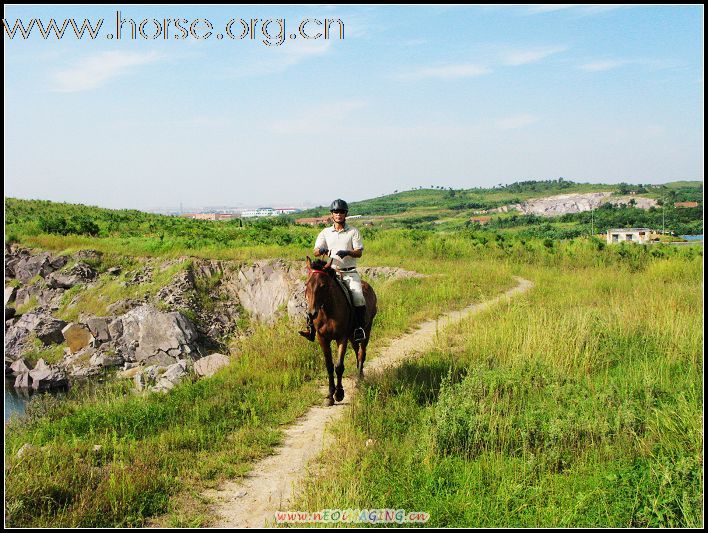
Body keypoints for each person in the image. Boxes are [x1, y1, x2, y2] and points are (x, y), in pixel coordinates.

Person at [303, 198, 367, 342]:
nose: (339, 214)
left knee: (358, 298)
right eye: (336, 212)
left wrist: (348, 252)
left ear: (345, 214)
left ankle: (358, 328)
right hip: (330, 272)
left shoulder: (353, 232)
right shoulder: (325, 232)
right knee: (312, 294)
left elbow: (359, 252)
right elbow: (315, 251)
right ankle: (311, 328)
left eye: (341, 212)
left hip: (349, 271)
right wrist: (321, 250)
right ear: (332, 214)